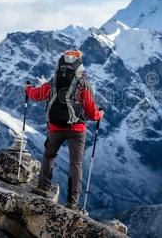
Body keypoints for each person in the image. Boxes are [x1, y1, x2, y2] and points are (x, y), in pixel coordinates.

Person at [24, 50, 104, 210]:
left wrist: (28, 89)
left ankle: (42, 188)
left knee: (49, 156)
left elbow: (37, 95)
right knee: (76, 163)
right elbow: (91, 113)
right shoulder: (83, 85)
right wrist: (100, 114)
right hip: (77, 129)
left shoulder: (54, 81)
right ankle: (72, 202)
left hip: (55, 128)